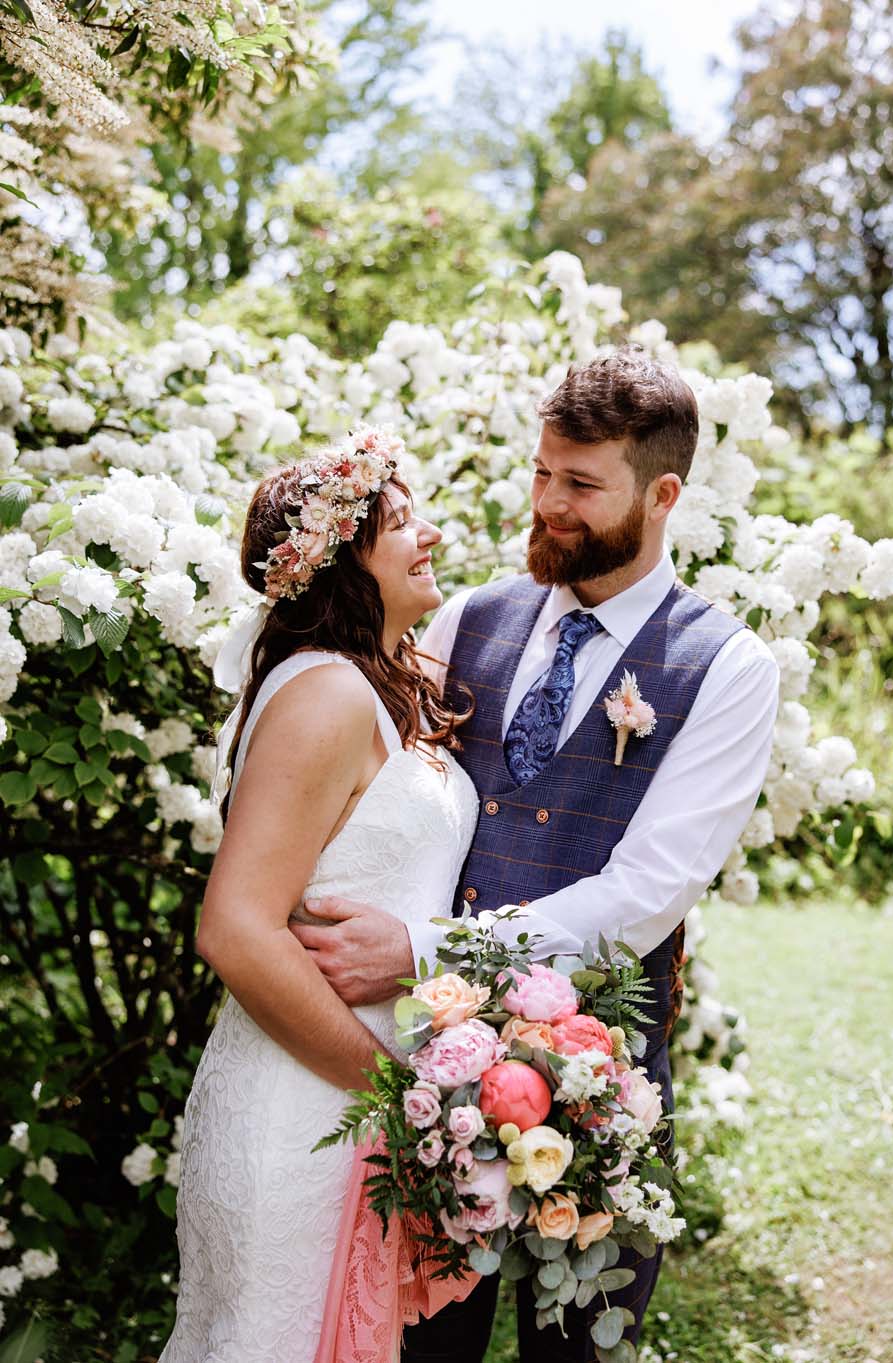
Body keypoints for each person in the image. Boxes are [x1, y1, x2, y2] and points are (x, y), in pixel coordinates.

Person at [292, 349, 781, 1361]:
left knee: (578, 1350)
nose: (548, 503)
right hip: (432, 1081)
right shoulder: (471, 615)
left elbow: (645, 893)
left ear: (663, 494)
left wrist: (427, 952)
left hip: (600, 1086)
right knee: (424, 1345)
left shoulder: (728, 667)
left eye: (581, 483)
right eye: (542, 471)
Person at [159, 430, 480, 1363]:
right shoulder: (325, 696)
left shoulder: (386, 682)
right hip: (302, 1113)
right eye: (400, 520)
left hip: (351, 1115)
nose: (430, 535)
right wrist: (390, 1090)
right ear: (343, 559)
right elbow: (234, 928)